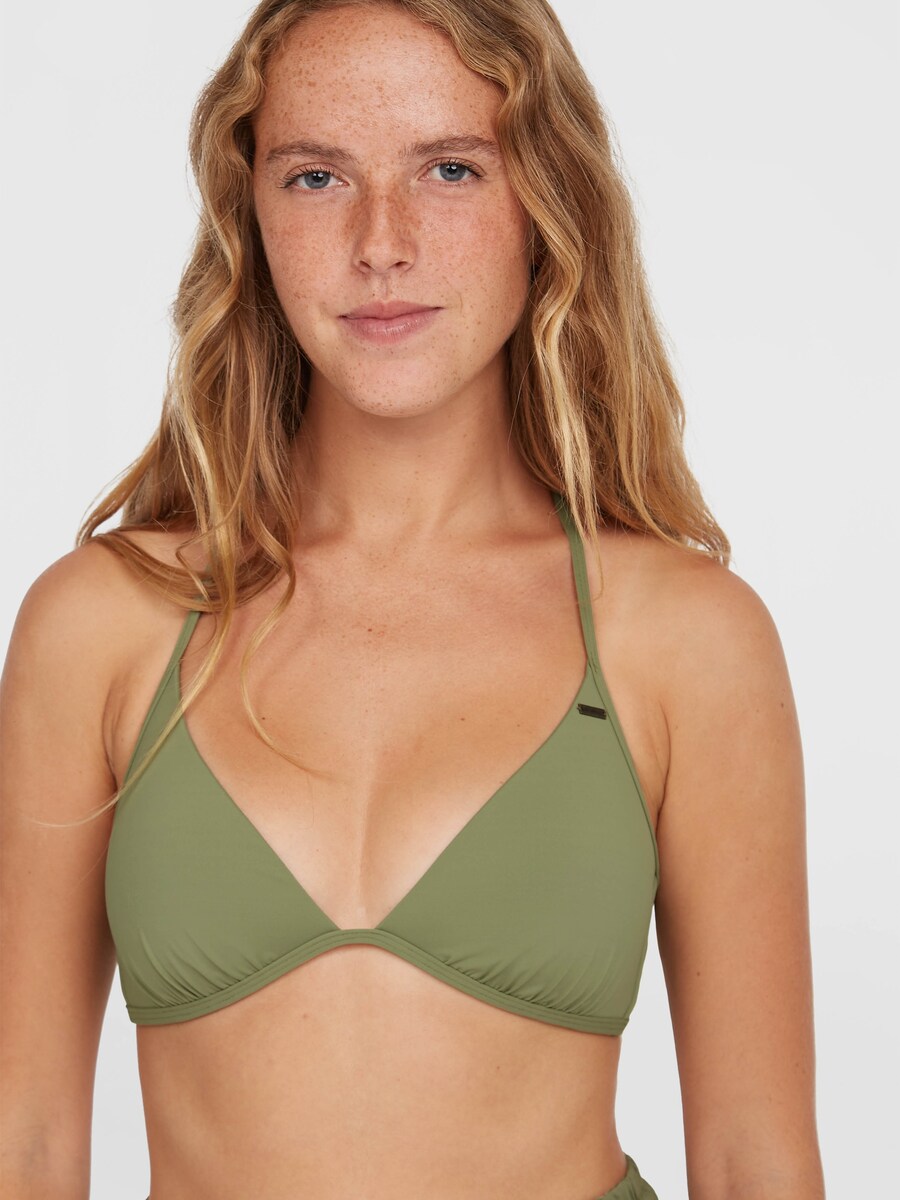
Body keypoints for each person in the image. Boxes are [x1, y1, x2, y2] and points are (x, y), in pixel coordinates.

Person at [0, 1, 826, 1197]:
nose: (381, 243)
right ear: (251, 217)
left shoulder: (687, 639)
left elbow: (756, 1163)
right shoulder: (103, 625)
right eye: (316, 176)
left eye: (449, 169)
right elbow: (23, 1145)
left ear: (545, 203)